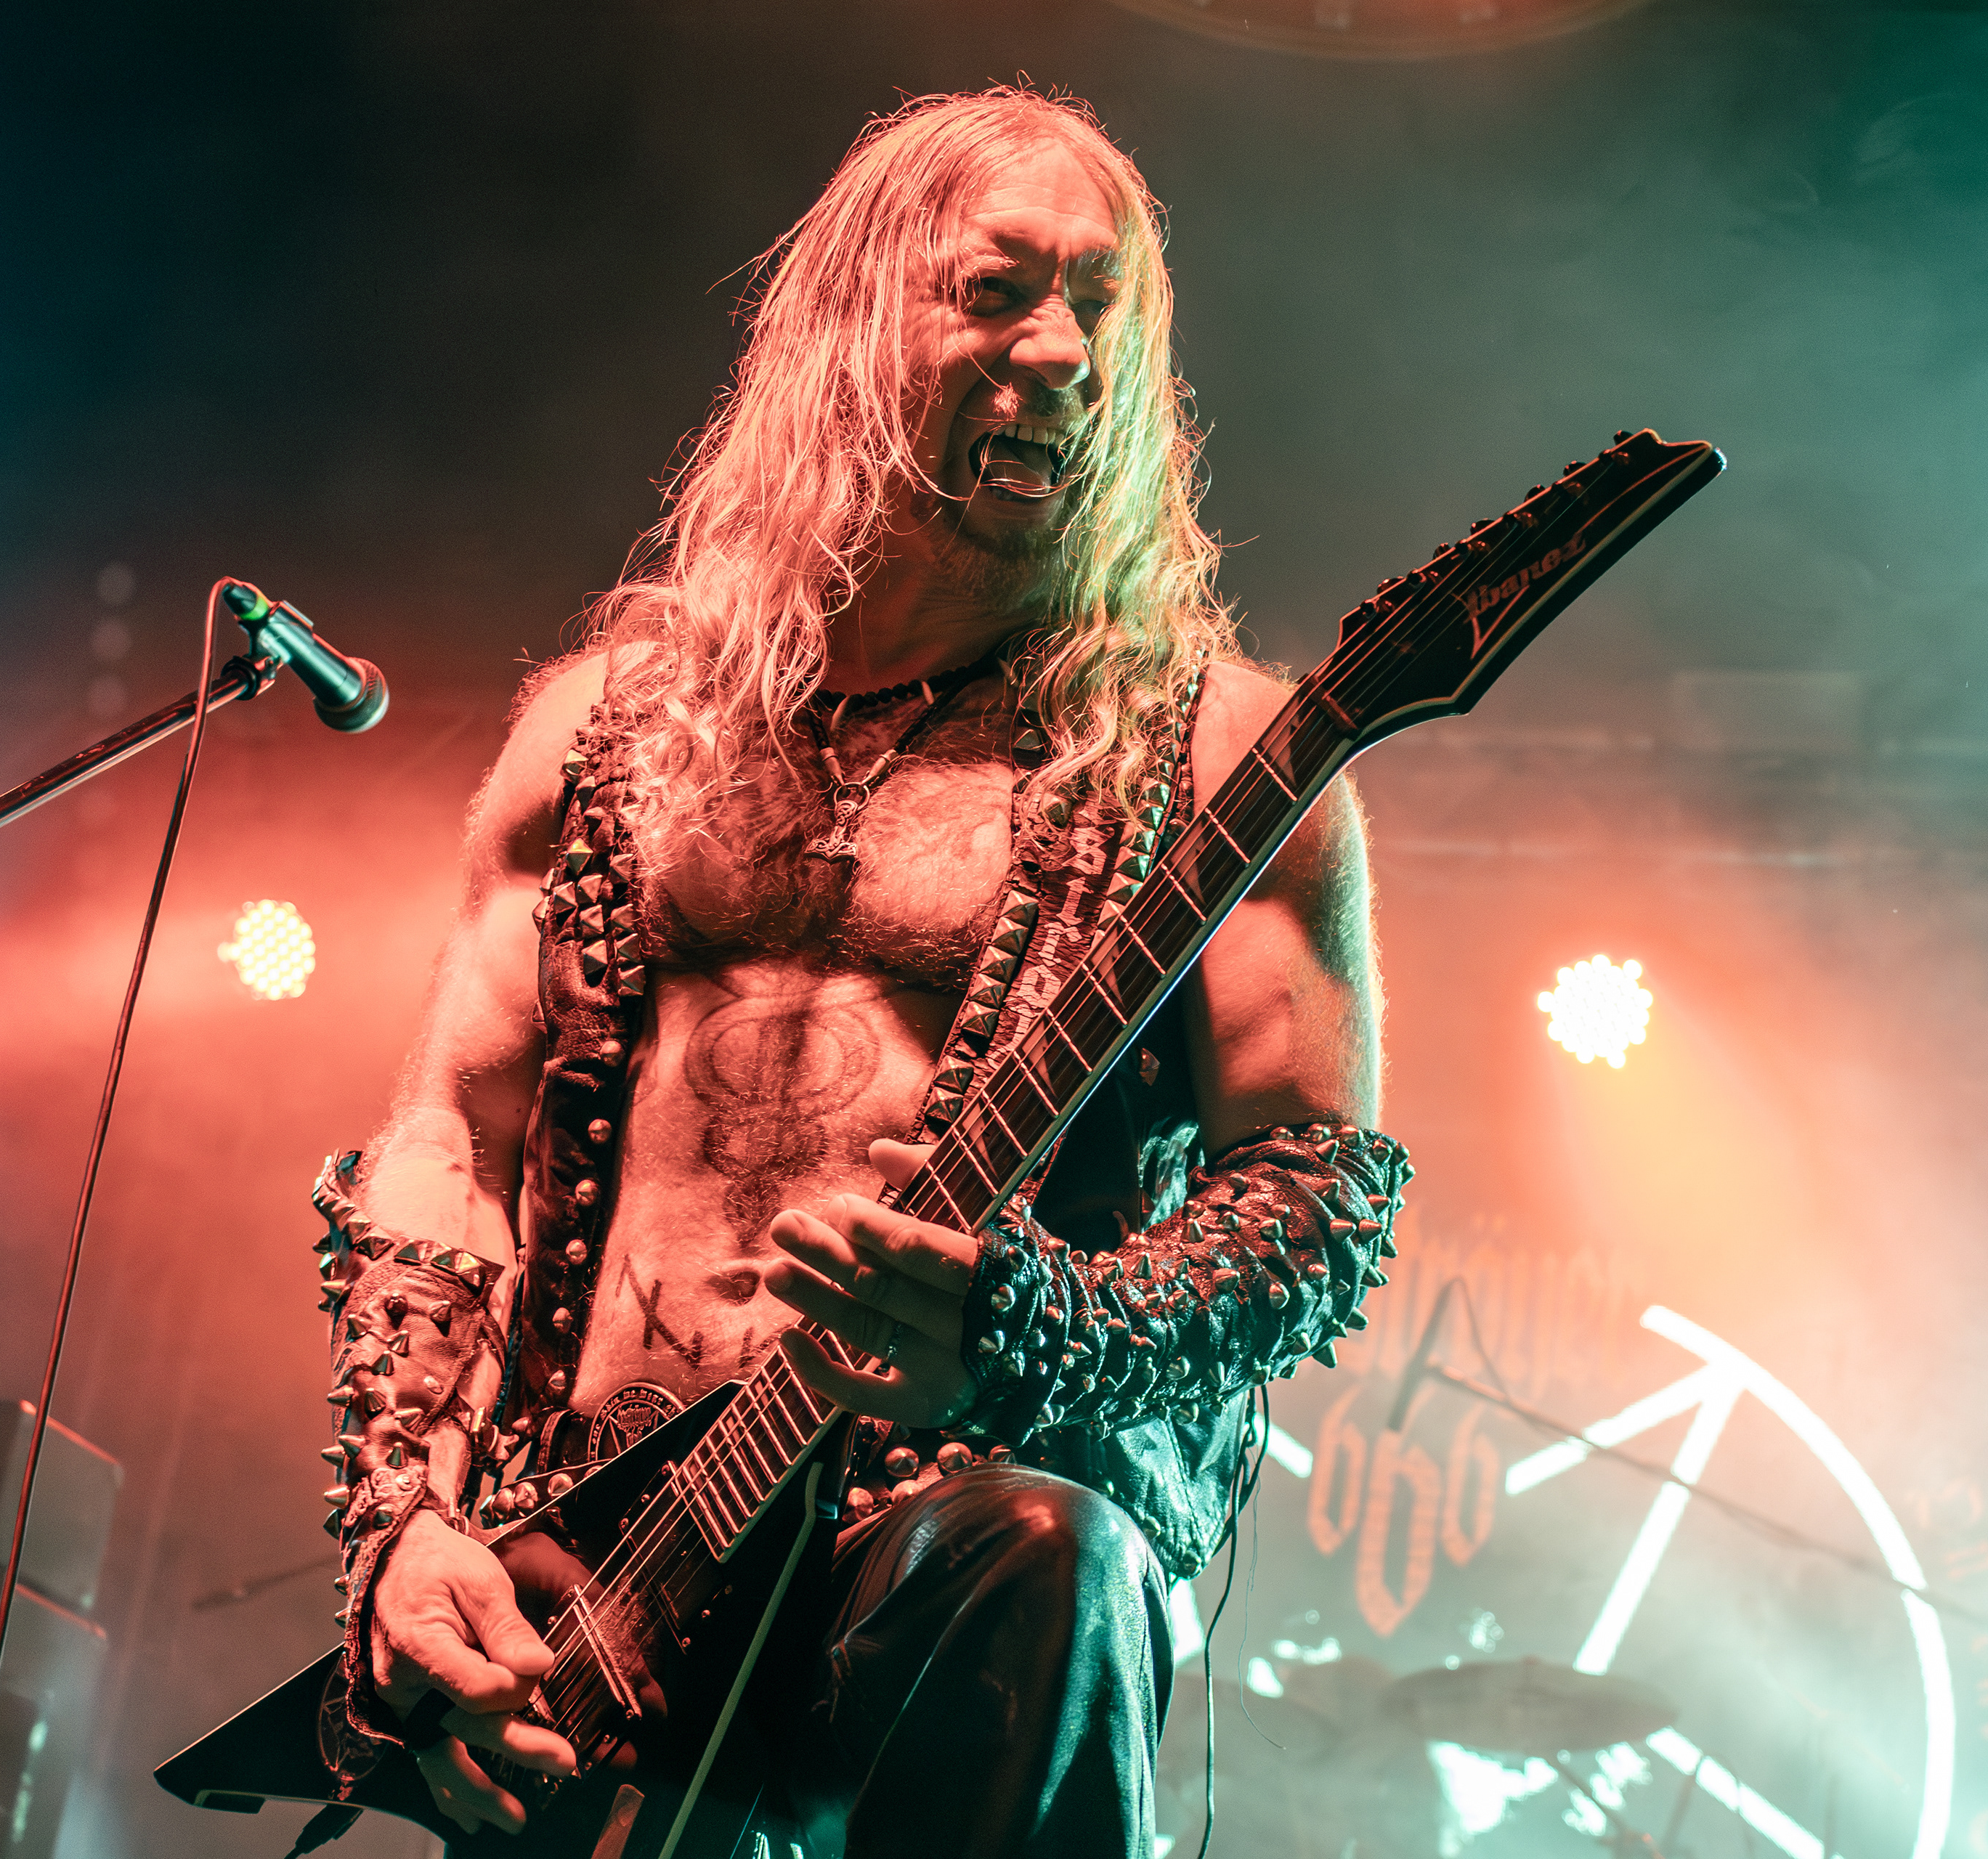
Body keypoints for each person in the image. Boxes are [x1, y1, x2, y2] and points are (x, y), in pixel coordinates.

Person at [308, 87, 1406, 1857]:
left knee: (1049, 1558)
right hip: (592, 1586)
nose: (1061, 350)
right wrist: (404, 1519)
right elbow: (448, 1135)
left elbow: (1310, 1205)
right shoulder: (605, 727)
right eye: (997, 291)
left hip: (939, 1545)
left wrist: (1034, 1322)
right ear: (848, 325)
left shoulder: (1222, 757)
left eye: (1100, 304)